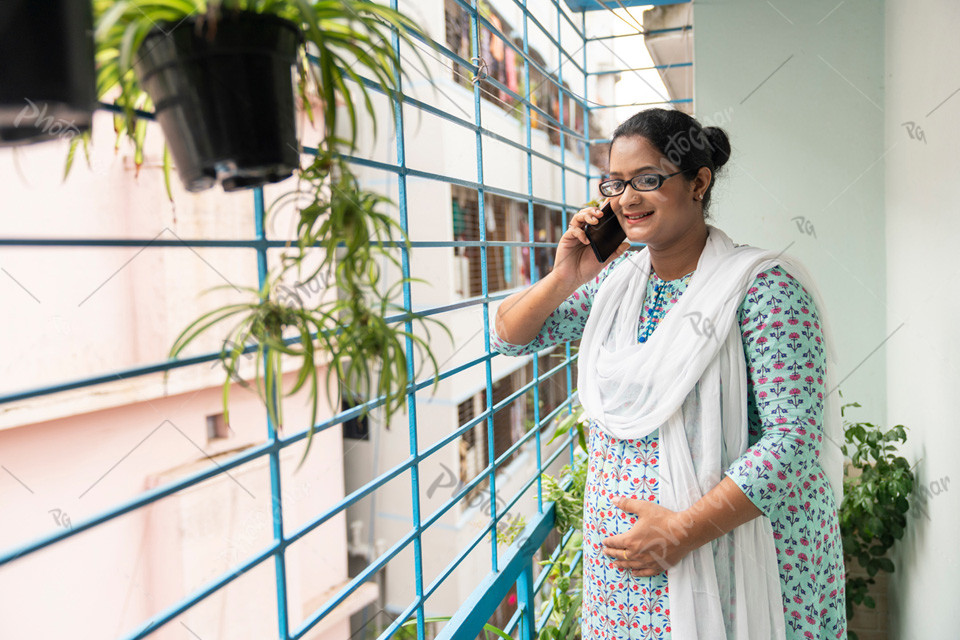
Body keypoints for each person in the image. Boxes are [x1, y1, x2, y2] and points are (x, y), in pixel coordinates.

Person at [490, 108, 846, 640]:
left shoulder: (762, 288)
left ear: (699, 182)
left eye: (648, 181)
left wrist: (680, 531)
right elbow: (508, 336)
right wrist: (568, 273)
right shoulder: (619, 286)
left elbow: (793, 441)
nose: (626, 200)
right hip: (629, 581)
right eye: (616, 184)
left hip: (736, 558)